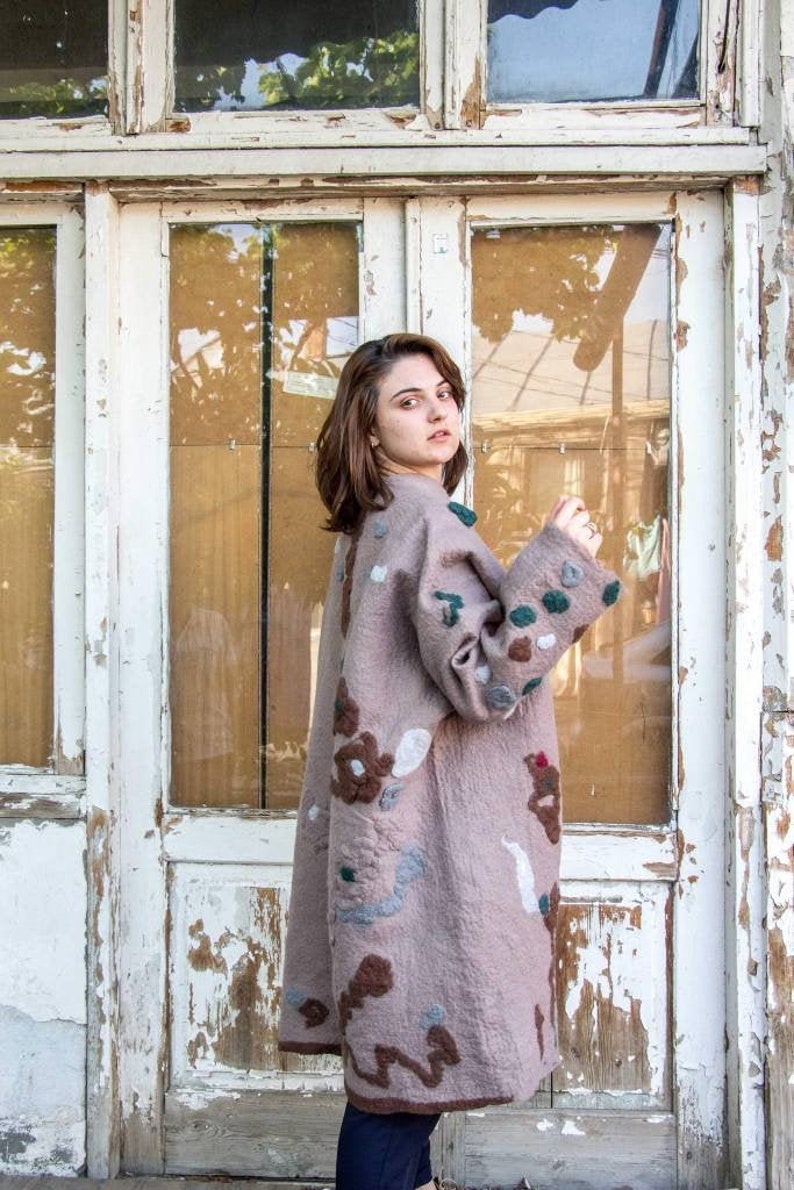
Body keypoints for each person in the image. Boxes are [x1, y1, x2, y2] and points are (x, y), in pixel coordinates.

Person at [278, 333, 620, 1190]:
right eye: (409, 400)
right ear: (367, 430)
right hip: (425, 848)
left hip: (393, 834)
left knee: (400, 1080)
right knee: (394, 1095)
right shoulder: (424, 520)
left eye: (444, 393)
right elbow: (484, 680)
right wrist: (559, 562)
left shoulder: (381, 520)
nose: (438, 412)